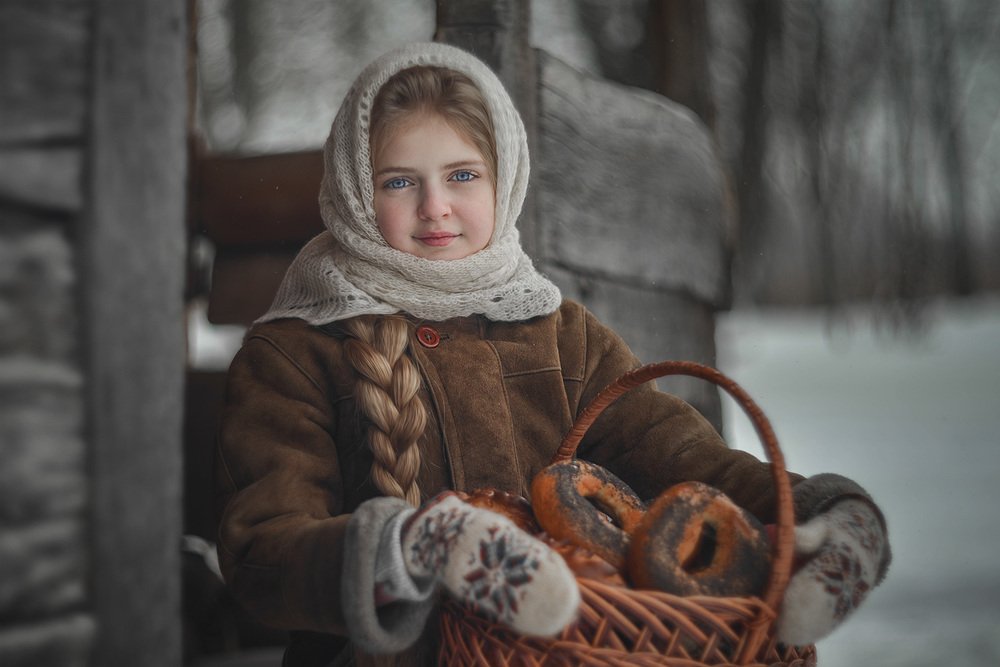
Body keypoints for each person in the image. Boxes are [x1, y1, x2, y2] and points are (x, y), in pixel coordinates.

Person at [215, 42, 890, 667]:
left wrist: (811, 510)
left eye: (462, 174)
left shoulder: (558, 330)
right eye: (399, 182)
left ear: (504, 178)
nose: (436, 208)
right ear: (356, 190)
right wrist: (411, 545)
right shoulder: (297, 350)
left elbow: (682, 456)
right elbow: (262, 552)